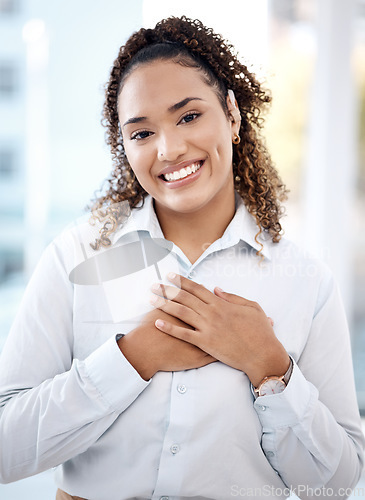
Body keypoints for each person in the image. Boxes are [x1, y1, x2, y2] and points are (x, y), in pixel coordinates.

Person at [0, 15, 364, 500]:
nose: (169, 149)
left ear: (232, 115)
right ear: (124, 148)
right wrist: (132, 358)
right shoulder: (77, 257)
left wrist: (270, 367)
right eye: (141, 133)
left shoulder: (306, 281)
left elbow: (338, 481)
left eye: (189, 116)